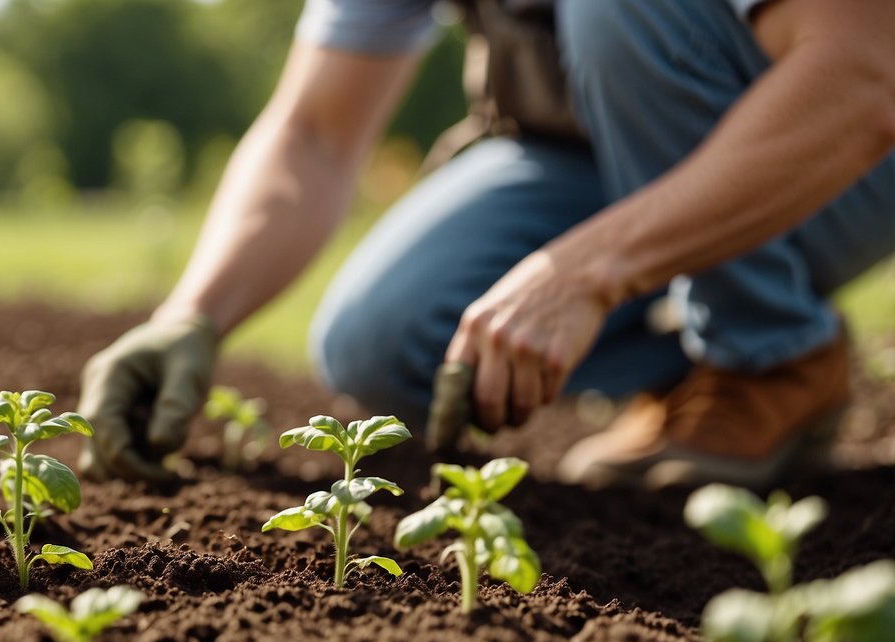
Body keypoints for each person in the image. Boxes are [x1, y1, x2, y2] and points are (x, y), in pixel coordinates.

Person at [77, 0, 895, 490]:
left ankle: (769, 355)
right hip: (599, 152)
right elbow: (315, 134)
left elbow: (864, 70)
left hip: (835, 142)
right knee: (384, 337)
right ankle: (701, 357)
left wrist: (588, 271)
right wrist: (192, 314)